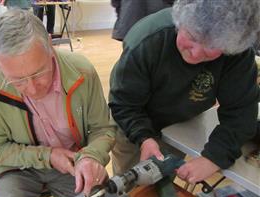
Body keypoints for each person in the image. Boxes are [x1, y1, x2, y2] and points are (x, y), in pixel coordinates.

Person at [0, 9, 115, 197]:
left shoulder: (82, 71)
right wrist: (48, 156)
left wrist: (91, 156)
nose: (32, 88)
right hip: (16, 168)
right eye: (17, 80)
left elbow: (103, 128)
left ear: (50, 44)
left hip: (73, 162)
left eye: (39, 72)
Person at [109, 0, 260, 184]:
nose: (195, 54)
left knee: (162, 179)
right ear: (179, 22)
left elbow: (241, 113)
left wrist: (213, 158)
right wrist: (144, 137)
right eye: (193, 37)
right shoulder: (146, 41)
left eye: (211, 48)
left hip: (180, 123)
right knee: (127, 183)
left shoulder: (237, 52)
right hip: (132, 123)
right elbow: (124, 104)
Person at [111, 0, 175, 41]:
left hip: (129, 21)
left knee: (132, 54)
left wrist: (121, 15)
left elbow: (115, 2)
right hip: (159, 23)